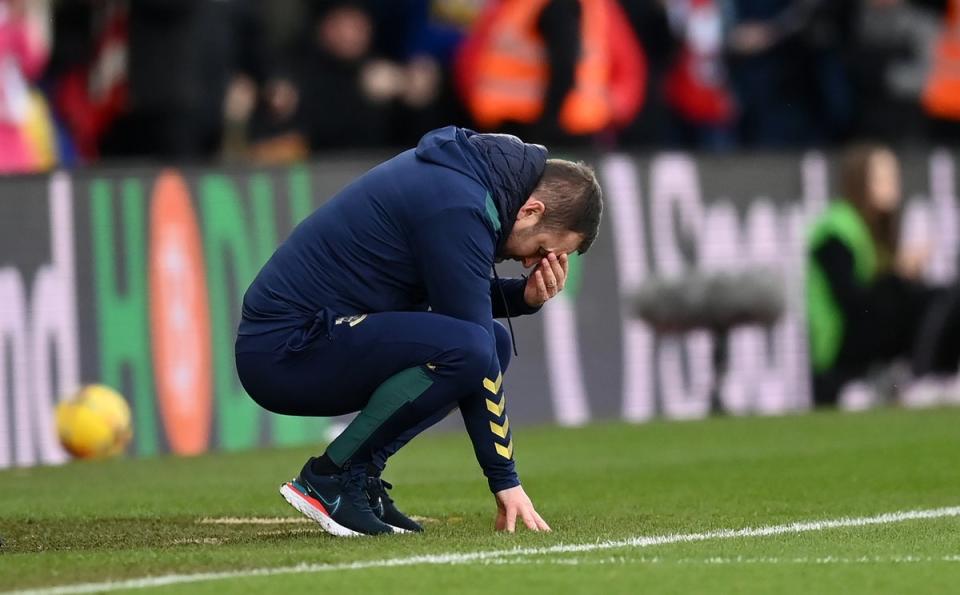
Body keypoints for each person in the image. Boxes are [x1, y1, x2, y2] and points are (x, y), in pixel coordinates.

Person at [235, 125, 602, 536]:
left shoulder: (466, 182)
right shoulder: (457, 204)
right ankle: (330, 477)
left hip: (311, 336)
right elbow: (467, 334)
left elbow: (457, 299)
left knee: (490, 343)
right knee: (474, 346)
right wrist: (505, 480)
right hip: (285, 350)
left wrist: (525, 299)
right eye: (542, 250)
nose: (533, 263)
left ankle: (359, 474)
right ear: (531, 211)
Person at [805, 144, 959, 406]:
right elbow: (852, 301)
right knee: (931, 298)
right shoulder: (836, 229)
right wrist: (897, 274)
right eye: (882, 178)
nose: (892, 184)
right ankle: (921, 378)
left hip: (862, 334)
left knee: (940, 296)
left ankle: (935, 377)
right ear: (860, 182)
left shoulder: (876, 228)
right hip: (838, 348)